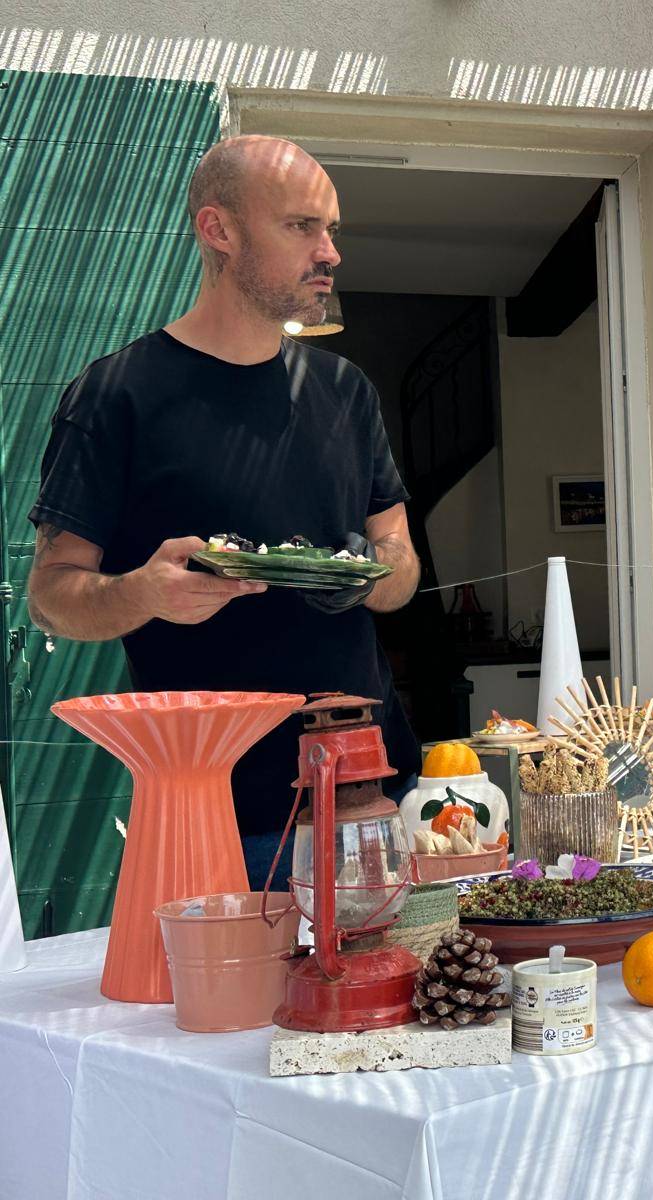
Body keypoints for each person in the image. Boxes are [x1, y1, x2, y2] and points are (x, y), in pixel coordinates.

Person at [26, 136, 423, 885]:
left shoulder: (345, 391)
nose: (330, 251)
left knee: (382, 1005)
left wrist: (367, 575)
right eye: (302, 226)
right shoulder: (117, 395)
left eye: (332, 229)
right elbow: (53, 595)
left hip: (373, 790)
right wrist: (143, 592)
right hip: (215, 812)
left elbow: (400, 563)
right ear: (219, 230)